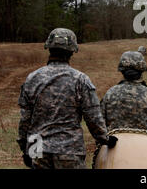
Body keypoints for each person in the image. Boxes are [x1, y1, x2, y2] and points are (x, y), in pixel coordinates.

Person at [17, 28, 117, 169]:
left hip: (37, 148)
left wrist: (25, 148)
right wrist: (104, 138)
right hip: (68, 149)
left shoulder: (32, 78)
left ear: (49, 48)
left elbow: (25, 120)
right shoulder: (80, 80)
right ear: (72, 51)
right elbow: (93, 116)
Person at [100, 51, 147, 131]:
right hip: (143, 143)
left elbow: (99, 125)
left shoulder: (109, 94)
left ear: (122, 70)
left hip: (115, 142)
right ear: (142, 70)